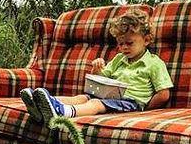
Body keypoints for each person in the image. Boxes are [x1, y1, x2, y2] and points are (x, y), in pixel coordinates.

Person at [20, 8, 173, 121]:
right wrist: (97, 69)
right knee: (82, 97)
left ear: (146, 40)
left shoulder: (153, 63)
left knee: (95, 103)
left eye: (129, 43)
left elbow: (163, 94)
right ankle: (42, 101)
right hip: (110, 96)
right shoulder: (119, 59)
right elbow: (103, 79)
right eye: (120, 43)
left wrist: (144, 108)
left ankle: (62, 112)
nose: (124, 47)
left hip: (132, 102)